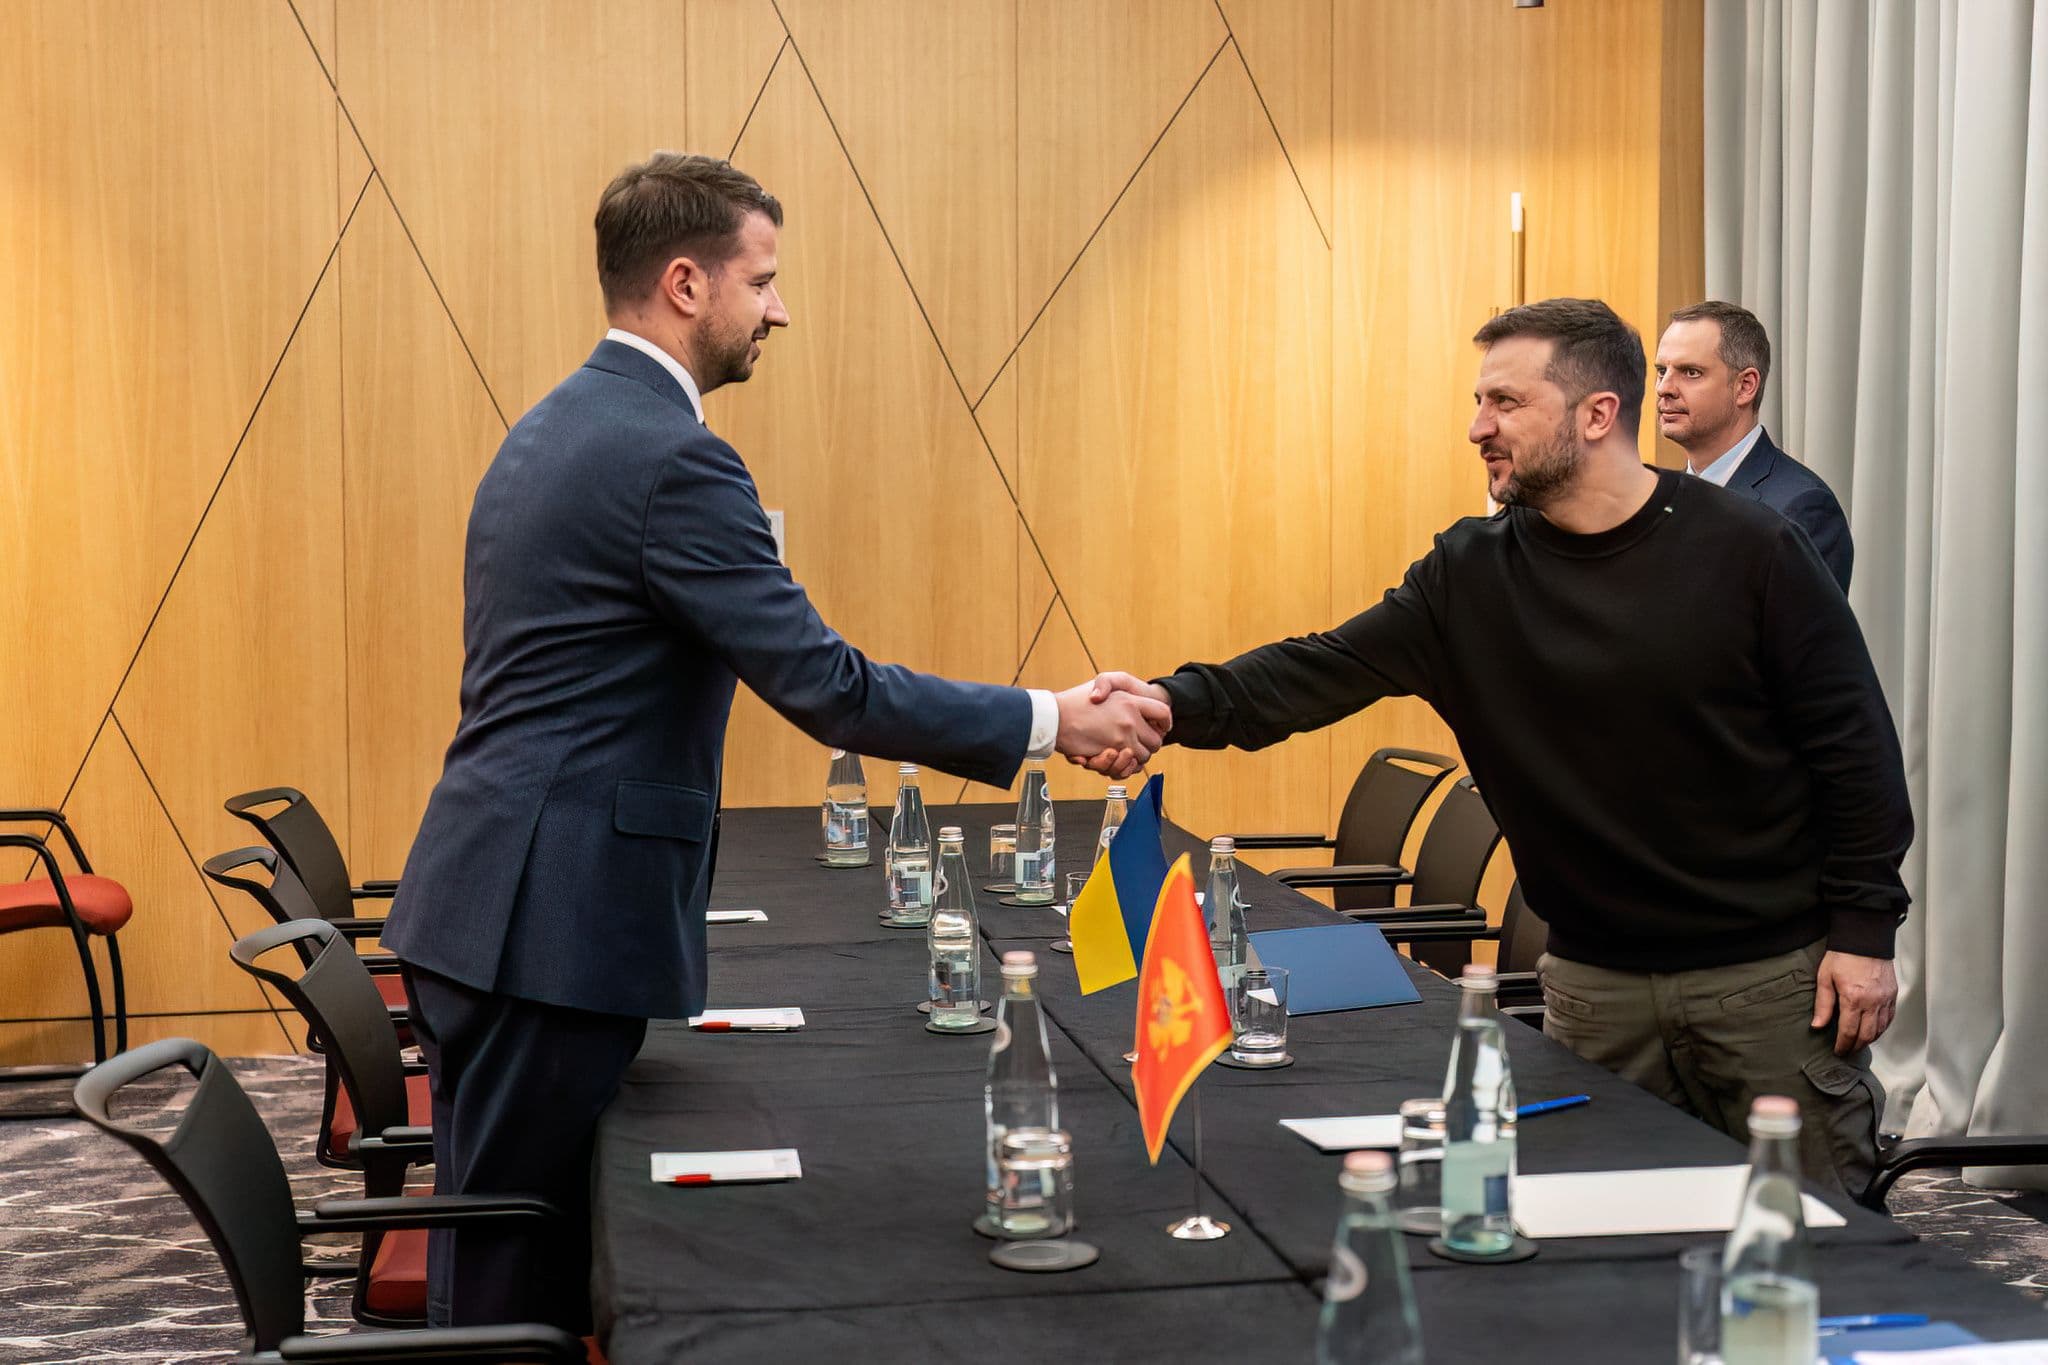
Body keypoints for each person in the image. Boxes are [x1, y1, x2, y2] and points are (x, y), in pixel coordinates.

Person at [378, 152, 1168, 1331]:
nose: (779, 310)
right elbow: (827, 687)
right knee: (515, 1281)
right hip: (546, 923)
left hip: (500, 903)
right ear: (685, 284)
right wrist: (1054, 720)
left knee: (502, 1247)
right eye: (762, 280)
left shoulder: (559, 424)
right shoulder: (670, 458)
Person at [1089, 298, 1912, 1200]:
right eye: (1479, 402)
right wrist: (1166, 704)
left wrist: (1865, 933)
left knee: (1818, 1244)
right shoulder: (1469, 574)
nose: (1477, 427)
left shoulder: (1753, 549)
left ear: (1597, 414)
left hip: (1767, 986)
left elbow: (1856, 750)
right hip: (1593, 988)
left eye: (1505, 403)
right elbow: (1314, 671)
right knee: (1602, 1243)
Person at [1655, 299, 1854, 590]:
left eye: (1691, 372)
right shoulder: (1661, 499)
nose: (1664, 388)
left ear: (1745, 386)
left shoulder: (1801, 508)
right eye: (1662, 371)